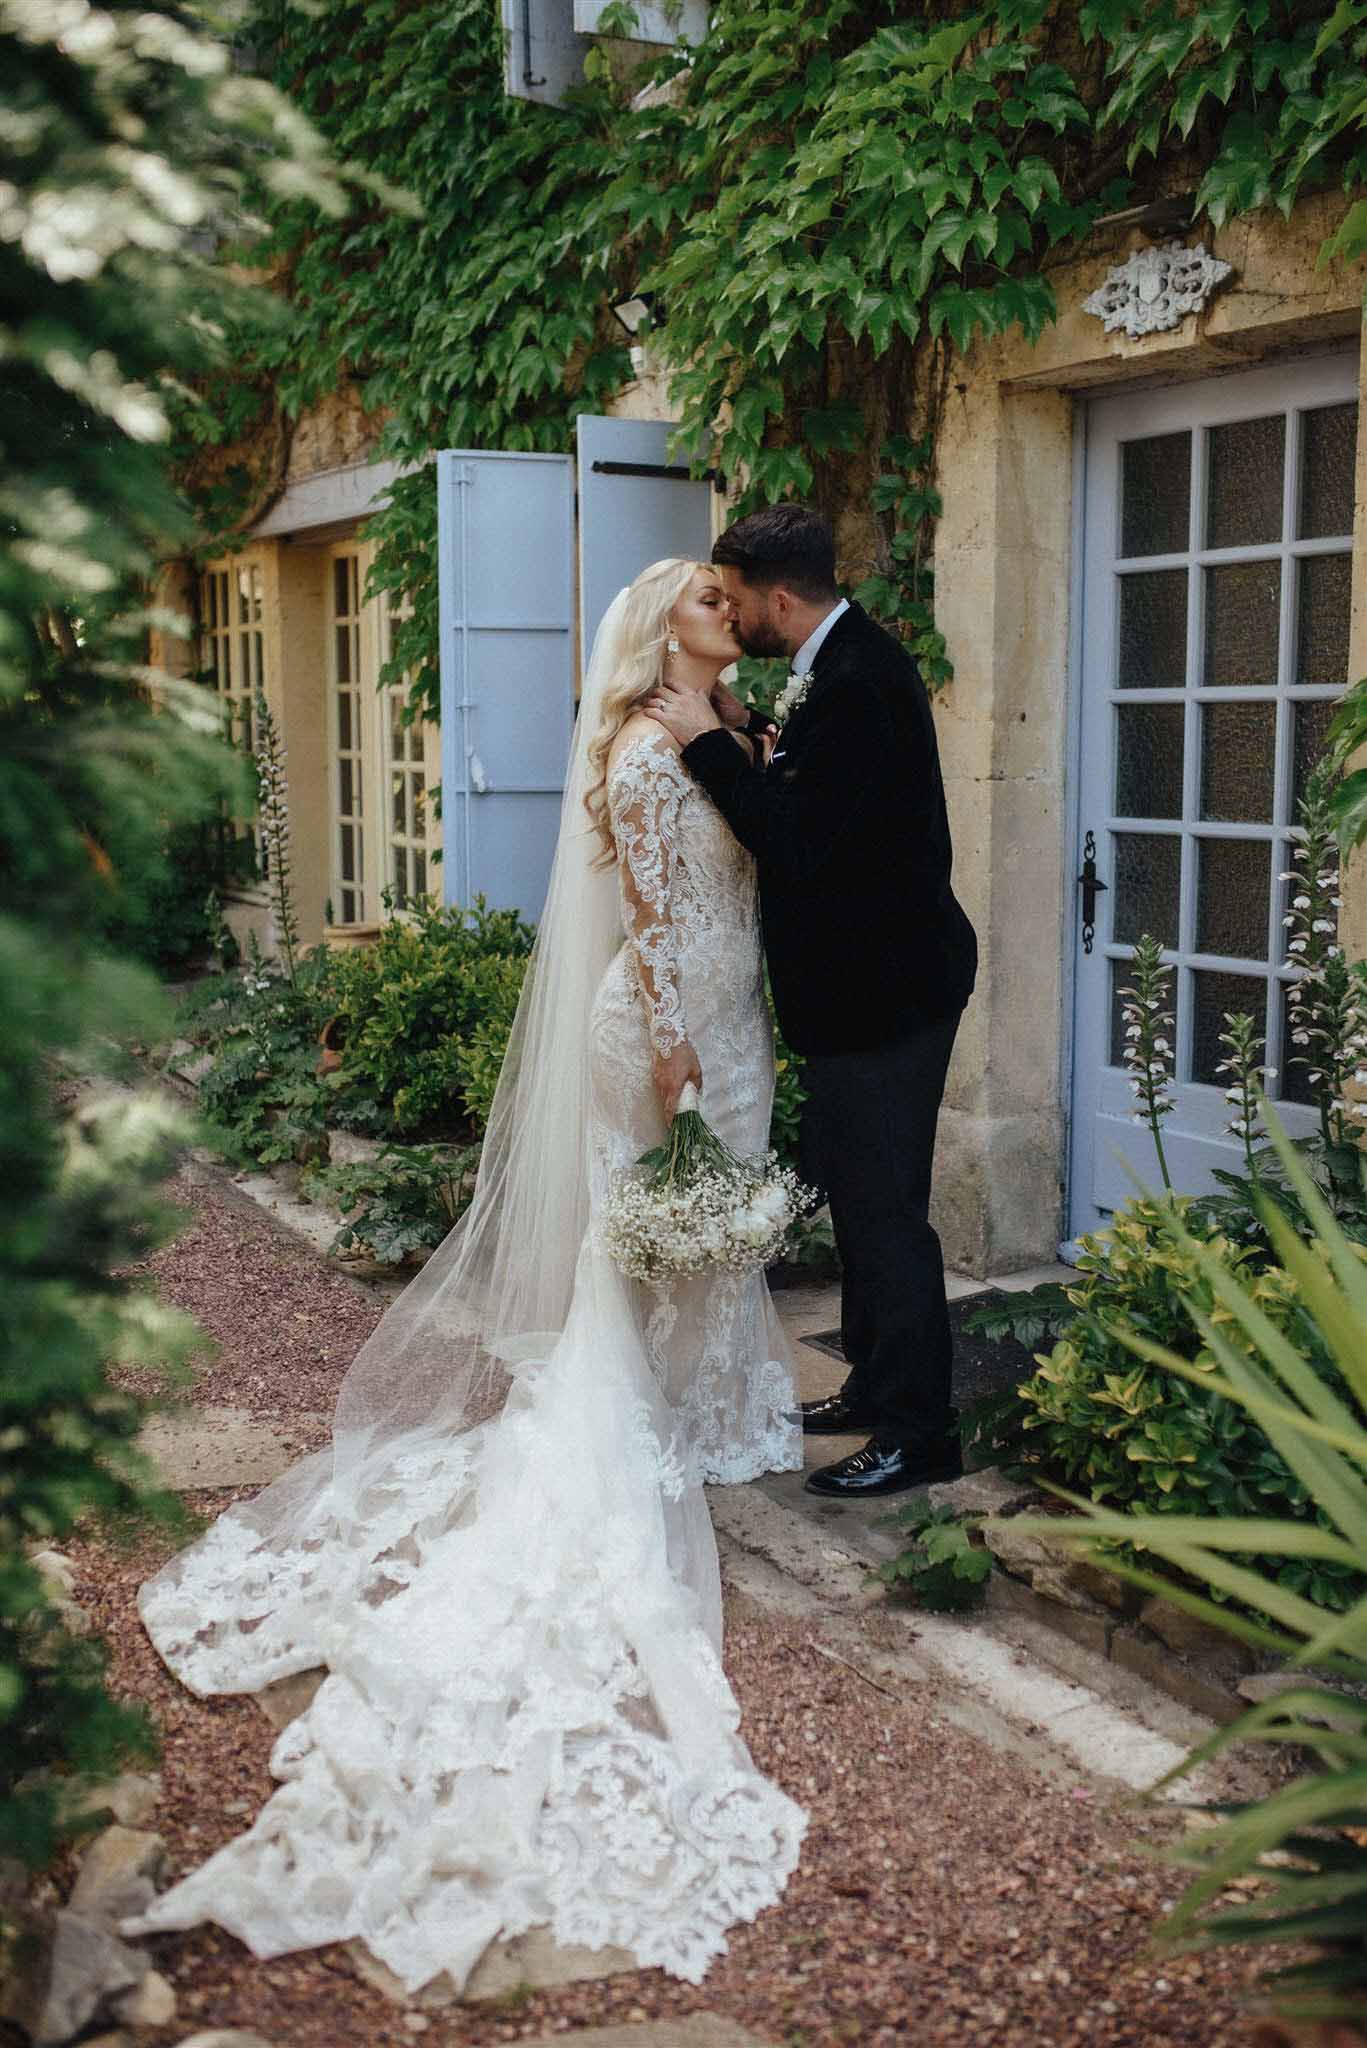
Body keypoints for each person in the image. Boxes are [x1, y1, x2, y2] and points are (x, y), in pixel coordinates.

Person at [123, 561, 806, 1995]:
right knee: (644, 1228)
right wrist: (677, 1038)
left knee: (703, 1229)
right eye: (696, 595)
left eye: (723, 593)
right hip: (669, 1024)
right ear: (654, 627)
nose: (719, 603)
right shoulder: (635, 743)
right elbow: (643, 901)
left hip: (734, 1015)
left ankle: (683, 1412)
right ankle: (626, 1433)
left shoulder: (731, 723)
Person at [646, 505, 978, 1500]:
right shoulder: (841, 668)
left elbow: (794, 844)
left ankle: (920, 1433)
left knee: (886, 1216)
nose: (730, 612)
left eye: (733, 595)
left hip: (889, 996)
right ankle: (874, 1388)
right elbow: (824, 793)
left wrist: (708, 742)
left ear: (774, 597)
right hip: (862, 995)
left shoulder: (857, 685)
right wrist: (753, 730)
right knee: (850, 1191)